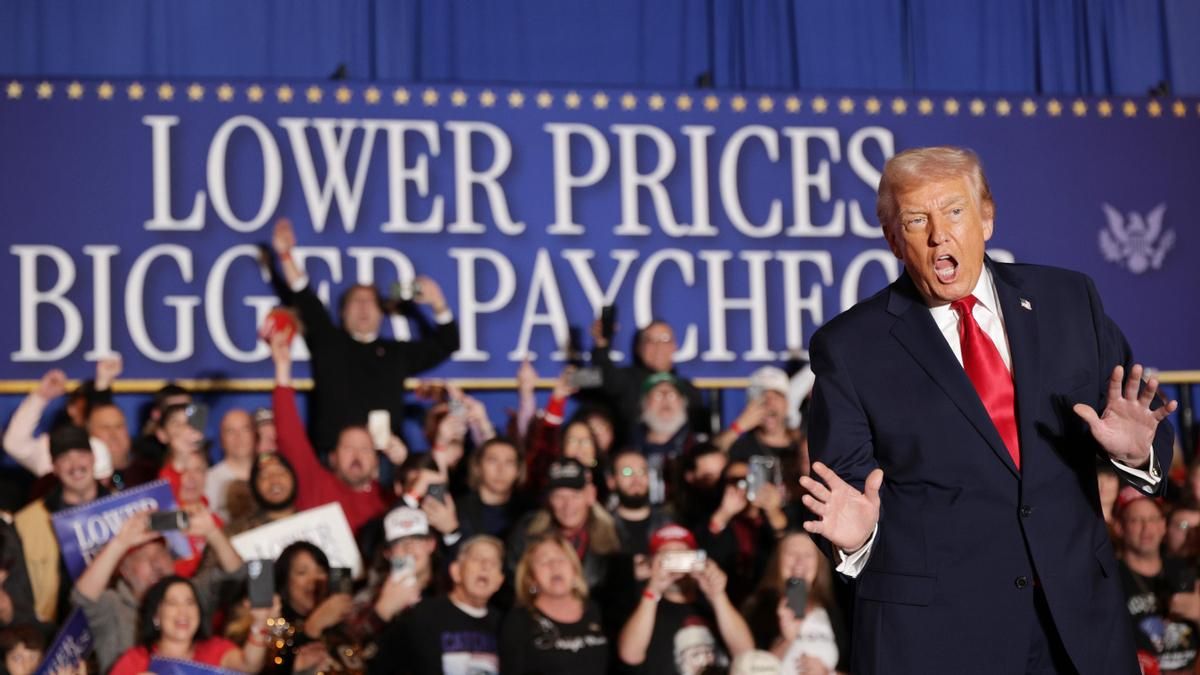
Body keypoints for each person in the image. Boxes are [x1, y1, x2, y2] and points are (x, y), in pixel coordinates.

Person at [800, 146, 1178, 673]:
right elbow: (844, 491)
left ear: (988, 217)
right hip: (940, 637)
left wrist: (1140, 455)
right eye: (916, 220)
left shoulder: (1069, 300)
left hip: (1079, 627)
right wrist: (861, 537)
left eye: (954, 211)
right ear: (893, 240)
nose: (939, 234)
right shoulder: (850, 347)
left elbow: (1142, 421)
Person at [272, 217, 459, 454]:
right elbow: (303, 293)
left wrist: (438, 302)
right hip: (333, 459)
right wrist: (286, 256)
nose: (363, 307)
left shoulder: (396, 354)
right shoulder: (329, 343)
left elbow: (448, 343)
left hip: (384, 459)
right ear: (342, 312)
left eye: (370, 302)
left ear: (381, 314)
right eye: (356, 301)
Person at [72, 508, 245, 672]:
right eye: (143, 557)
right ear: (125, 571)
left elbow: (236, 574)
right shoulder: (113, 606)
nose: (156, 564)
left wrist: (213, 533)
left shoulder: (190, 593)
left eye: (161, 554)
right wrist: (120, 543)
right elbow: (82, 598)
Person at [271, 331, 404, 533]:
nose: (357, 455)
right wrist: (282, 369)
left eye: (365, 449)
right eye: (348, 448)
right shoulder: (315, 485)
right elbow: (289, 435)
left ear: (377, 462)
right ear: (332, 457)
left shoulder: (390, 501)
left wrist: (404, 466)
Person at [617, 524, 754, 674]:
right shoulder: (644, 608)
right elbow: (630, 655)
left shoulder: (712, 605)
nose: (677, 566)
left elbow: (746, 654)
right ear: (653, 565)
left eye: (683, 556)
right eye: (668, 558)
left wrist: (718, 596)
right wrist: (652, 591)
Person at [369, 534, 506, 675]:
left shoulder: (506, 626)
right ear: (456, 571)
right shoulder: (420, 616)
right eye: (477, 559)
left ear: (500, 581)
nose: (485, 566)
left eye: (493, 563)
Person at [14, 426, 107, 623]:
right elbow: (20, 589)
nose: (75, 465)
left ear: (93, 458)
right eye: (65, 459)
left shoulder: (125, 510)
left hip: (112, 623)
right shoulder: (27, 523)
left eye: (81, 454)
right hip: (54, 629)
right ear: (54, 468)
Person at [108, 575, 271, 674]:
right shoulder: (135, 661)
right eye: (172, 603)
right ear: (156, 616)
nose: (183, 611)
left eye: (190, 602)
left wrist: (260, 623)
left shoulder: (215, 649)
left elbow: (249, 665)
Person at [740, 531, 849, 674]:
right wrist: (787, 639)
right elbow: (749, 669)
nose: (799, 562)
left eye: (808, 555)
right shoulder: (759, 606)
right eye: (791, 553)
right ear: (777, 561)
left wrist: (827, 673)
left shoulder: (833, 609)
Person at [499, 533, 609, 675]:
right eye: (544, 561)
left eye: (561, 559)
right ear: (531, 579)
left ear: (575, 571)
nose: (554, 566)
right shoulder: (518, 621)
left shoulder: (596, 610)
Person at [1115, 495, 1199, 673]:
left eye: (1152, 519)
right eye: (1136, 520)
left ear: (1163, 526)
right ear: (1120, 527)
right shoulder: (1111, 580)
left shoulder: (1186, 571)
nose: (1146, 528)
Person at [591, 320, 707, 437]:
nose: (659, 346)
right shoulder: (625, 380)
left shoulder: (688, 390)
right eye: (650, 341)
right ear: (639, 348)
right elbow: (605, 378)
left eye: (665, 340)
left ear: (675, 347)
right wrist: (602, 344)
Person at [457, 437, 529, 542]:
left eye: (509, 462)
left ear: (518, 470)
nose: (501, 470)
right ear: (478, 467)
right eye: (493, 461)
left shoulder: (528, 512)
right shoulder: (458, 510)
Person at [226, 453, 299, 536]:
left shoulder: (311, 521)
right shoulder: (239, 532)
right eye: (265, 476)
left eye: (280, 472)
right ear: (254, 486)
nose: (274, 480)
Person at [205, 409, 258, 521]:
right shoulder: (209, 480)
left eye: (245, 429)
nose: (238, 437)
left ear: (255, 434)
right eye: (230, 431)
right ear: (221, 439)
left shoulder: (269, 474)